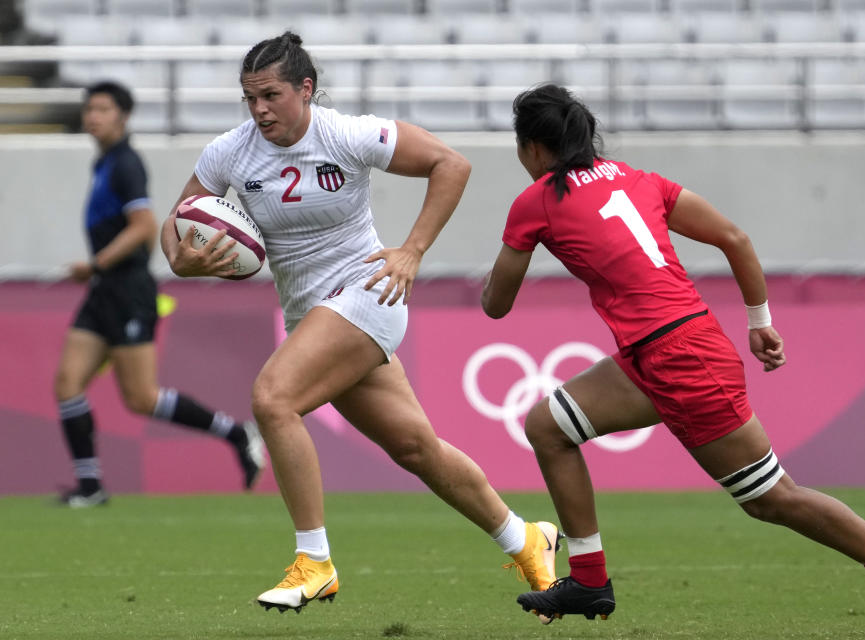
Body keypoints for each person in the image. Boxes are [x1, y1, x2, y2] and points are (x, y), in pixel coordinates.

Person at [481, 83, 865, 637]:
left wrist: (505, 263)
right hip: (667, 347)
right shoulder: (639, 179)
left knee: (774, 499)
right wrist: (760, 322)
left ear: (534, 148)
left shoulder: (536, 200)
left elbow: (496, 306)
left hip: (679, 360)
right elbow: (734, 237)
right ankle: (589, 578)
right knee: (548, 426)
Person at [158, 32, 559, 614]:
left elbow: (452, 164)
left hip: (369, 293)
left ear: (306, 89)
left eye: (270, 95)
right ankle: (526, 539)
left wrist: (413, 250)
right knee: (416, 448)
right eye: (249, 98)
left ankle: (314, 561)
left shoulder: (345, 134)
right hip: (311, 315)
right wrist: (181, 259)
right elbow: (177, 221)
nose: (259, 109)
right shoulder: (230, 152)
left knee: (273, 399)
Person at [55, 81, 266, 508]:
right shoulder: (105, 163)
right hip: (104, 291)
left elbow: (145, 228)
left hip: (128, 290)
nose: (92, 116)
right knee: (67, 383)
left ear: (123, 117)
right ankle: (91, 486)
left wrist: (95, 265)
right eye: (89, 109)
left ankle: (236, 433)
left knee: (141, 397)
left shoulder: (127, 164)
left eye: (102, 109)